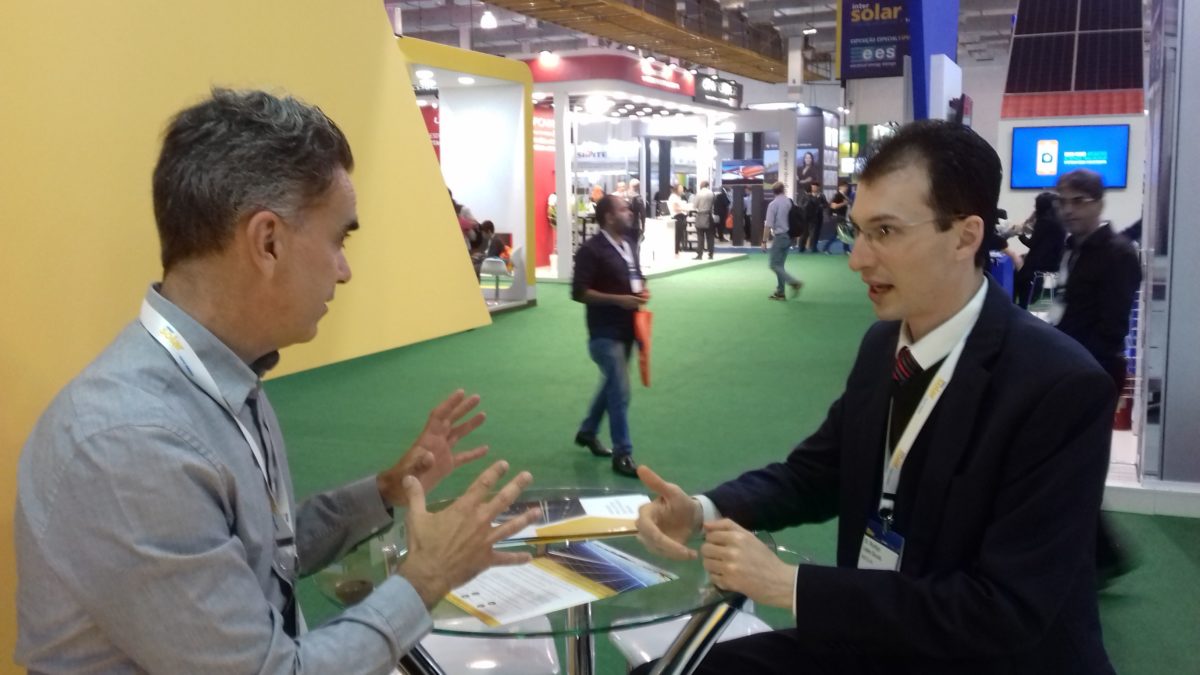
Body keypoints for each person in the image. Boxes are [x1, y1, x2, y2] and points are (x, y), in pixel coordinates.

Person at [13, 89, 543, 672]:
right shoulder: (131, 444)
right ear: (267, 241)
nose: (344, 270)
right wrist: (427, 578)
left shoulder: (219, 379)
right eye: (339, 239)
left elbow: (261, 553)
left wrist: (385, 491)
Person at [633, 121, 1117, 674]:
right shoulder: (882, 345)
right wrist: (703, 510)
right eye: (857, 230)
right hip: (875, 636)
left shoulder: (1058, 386)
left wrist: (792, 587)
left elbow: (1003, 610)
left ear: (965, 237)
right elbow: (816, 473)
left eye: (885, 231)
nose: (857, 259)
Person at [1054, 169, 1141, 583]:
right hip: (1069, 366)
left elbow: (1112, 329)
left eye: (1078, 202)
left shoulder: (1118, 254)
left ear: (1099, 203)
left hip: (1095, 373)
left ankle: (1103, 557)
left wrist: (1074, 365)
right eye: (1063, 202)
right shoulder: (1075, 248)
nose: (1069, 210)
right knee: (1068, 463)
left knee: (1079, 465)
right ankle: (1096, 555)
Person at [571, 194, 648, 478]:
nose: (629, 212)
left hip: (629, 329)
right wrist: (618, 300)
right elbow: (579, 292)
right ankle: (622, 453)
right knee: (620, 391)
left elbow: (635, 276)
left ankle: (588, 431)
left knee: (612, 385)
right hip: (604, 333)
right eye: (623, 209)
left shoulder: (628, 243)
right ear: (609, 217)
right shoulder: (591, 250)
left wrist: (641, 289)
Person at [1013, 192, 1066, 308]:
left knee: (1018, 270)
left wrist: (1020, 234)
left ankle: (1020, 304)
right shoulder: (1058, 221)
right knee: (1023, 260)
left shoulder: (1044, 222)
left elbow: (1032, 244)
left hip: (1043, 263)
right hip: (1056, 261)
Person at [763, 181, 803, 300]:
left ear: (773, 192)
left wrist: (764, 241)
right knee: (780, 265)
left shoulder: (773, 204)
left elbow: (768, 225)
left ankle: (793, 282)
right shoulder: (790, 202)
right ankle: (780, 292)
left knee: (773, 265)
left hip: (780, 236)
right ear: (783, 190)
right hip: (789, 237)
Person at [821, 182, 852, 254]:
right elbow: (833, 206)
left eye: (846, 186)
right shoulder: (838, 195)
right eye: (844, 186)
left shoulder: (845, 196)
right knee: (837, 234)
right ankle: (826, 248)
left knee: (844, 233)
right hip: (839, 217)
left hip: (844, 217)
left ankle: (846, 249)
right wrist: (844, 203)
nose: (846, 188)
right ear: (840, 187)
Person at [799, 182, 828, 253]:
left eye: (815, 187)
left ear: (818, 188)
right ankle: (802, 247)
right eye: (812, 187)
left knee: (815, 233)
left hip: (817, 216)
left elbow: (826, 204)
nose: (813, 188)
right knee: (805, 233)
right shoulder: (806, 195)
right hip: (806, 216)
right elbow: (801, 204)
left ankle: (813, 247)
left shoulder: (821, 195)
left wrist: (821, 206)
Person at [692, 180, 715, 260]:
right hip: (709, 216)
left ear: (701, 186)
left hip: (700, 216)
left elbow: (694, 206)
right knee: (710, 236)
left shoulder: (699, 194)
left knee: (700, 236)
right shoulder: (711, 193)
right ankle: (711, 254)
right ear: (707, 185)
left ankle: (700, 255)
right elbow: (713, 204)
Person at [667, 183, 688, 255]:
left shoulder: (678, 197)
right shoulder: (673, 197)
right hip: (677, 217)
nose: (682, 190)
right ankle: (676, 251)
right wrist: (685, 209)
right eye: (680, 189)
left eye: (682, 189)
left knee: (679, 235)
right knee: (677, 235)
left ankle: (677, 250)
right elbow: (675, 208)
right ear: (676, 189)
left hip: (681, 217)